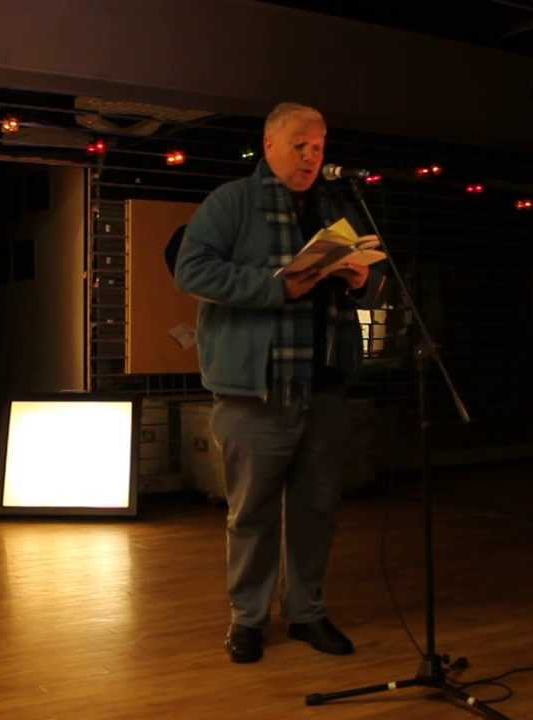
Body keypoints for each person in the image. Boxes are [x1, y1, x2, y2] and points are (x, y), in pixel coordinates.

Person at [174, 102, 387, 664]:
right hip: (256, 389)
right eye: (300, 145)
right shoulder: (232, 201)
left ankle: (306, 613)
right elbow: (192, 270)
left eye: (319, 147)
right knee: (252, 513)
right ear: (268, 144)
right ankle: (247, 618)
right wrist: (279, 285)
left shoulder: (336, 204)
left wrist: (365, 279)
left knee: (317, 508)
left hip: (325, 383)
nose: (311, 156)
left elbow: (376, 288)